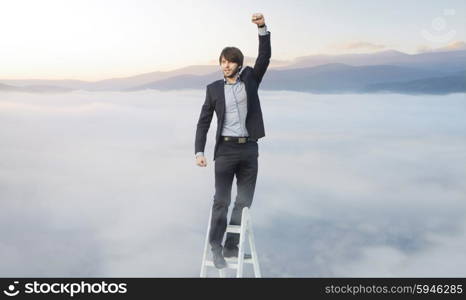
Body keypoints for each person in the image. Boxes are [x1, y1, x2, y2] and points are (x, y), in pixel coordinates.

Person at [194, 12, 271, 269]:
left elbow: (264, 58)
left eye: (230, 61)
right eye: (223, 61)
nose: (226, 65)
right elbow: (204, 121)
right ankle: (216, 247)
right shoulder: (213, 89)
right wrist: (199, 151)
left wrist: (261, 28)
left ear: (238, 64)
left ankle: (231, 244)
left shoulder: (250, 78)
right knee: (222, 200)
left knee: (244, 201)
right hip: (225, 150)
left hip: (249, 148)